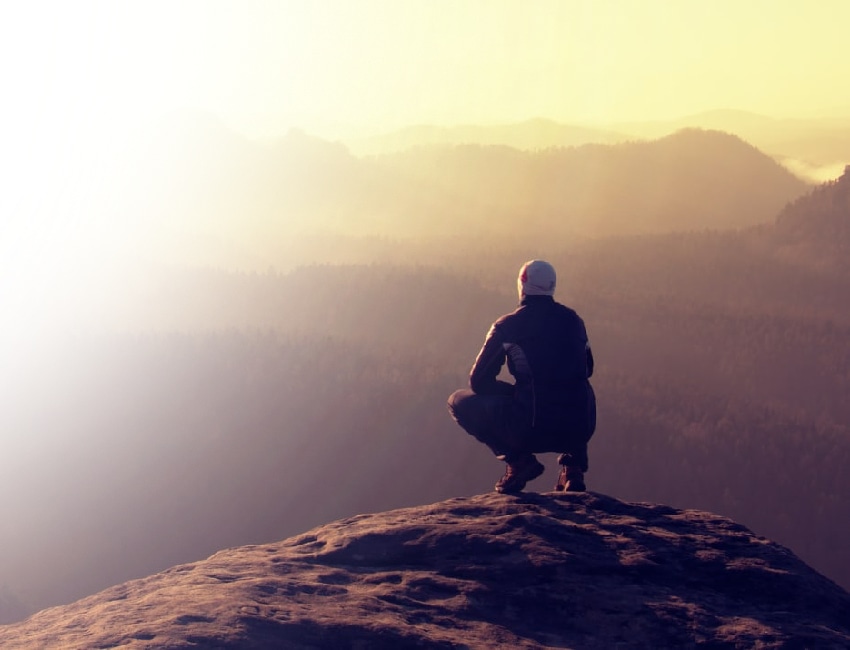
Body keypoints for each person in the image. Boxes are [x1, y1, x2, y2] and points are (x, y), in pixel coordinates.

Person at [447, 259, 596, 494]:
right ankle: (573, 469)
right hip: (579, 427)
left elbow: (478, 381)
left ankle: (519, 463)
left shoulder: (507, 326)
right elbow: (586, 369)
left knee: (458, 401)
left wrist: (516, 393)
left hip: (532, 426)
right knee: (578, 388)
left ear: (522, 285)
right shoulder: (574, 321)